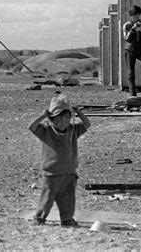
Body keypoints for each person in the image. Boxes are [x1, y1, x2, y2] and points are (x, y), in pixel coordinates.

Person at [28, 94, 91, 226]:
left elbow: (87, 124)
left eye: (67, 119)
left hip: (69, 173)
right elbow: (31, 127)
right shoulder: (46, 131)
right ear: (51, 119)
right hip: (51, 174)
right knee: (47, 199)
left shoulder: (73, 130)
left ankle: (67, 220)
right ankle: (39, 218)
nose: (63, 123)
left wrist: (79, 112)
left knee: (68, 200)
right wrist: (42, 115)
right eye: (59, 120)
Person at [123, 5, 141, 97]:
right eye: (134, 16)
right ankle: (133, 94)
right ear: (131, 16)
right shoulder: (127, 25)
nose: (136, 18)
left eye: (137, 16)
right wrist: (133, 29)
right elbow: (127, 38)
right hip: (130, 49)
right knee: (130, 73)